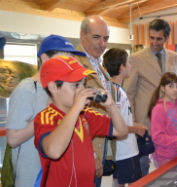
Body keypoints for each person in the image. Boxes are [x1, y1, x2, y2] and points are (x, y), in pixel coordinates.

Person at [34, 55, 128, 186]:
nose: (83, 90)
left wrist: (111, 106)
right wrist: (76, 107)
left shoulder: (86, 115)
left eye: (84, 84)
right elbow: (54, 151)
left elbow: (121, 131)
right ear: (53, 87)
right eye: (76, 85)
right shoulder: (46, 117)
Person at [5, 34, 86, 187]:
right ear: (45, 59)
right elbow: (12, 139)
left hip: (56, 175)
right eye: (63, 60)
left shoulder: (61, 89)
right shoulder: (28, 89)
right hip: (31, 178)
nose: (68, 65)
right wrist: (45, 116)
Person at [123, 18, 177, 176]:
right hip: (145, 122)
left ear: (166, 38)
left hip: (170, 121)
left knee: (169, 165)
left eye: (159, 38)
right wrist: (132, 122)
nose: (154, 42)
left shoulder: (175, 57)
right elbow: (129, 92)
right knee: (142, 167)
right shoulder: (136, 58)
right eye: (152, 38)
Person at [74, 15, 115, 186]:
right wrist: (92, 154)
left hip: (101, 140)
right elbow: (74, 115)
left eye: (106, 39)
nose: (102, 44)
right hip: (85, 150)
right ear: (83, 35)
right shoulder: (75, 65)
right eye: (96, 37)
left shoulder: (98, 65)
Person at [102, 48, 147, 187]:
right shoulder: (114, 92)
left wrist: (134, 124)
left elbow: (122, 118)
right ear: (121, 67)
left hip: (126, 150)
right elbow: (115, 125)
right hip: (123, 152)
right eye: (128, 63)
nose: (131, 66)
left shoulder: (118, 89)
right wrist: (136, 129)